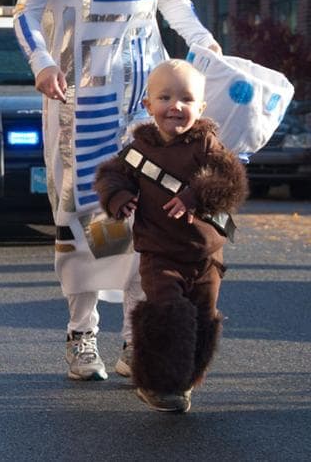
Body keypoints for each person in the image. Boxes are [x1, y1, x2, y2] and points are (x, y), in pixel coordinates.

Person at [12, 0, 221, 382]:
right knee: (88, 209)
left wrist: (202, 45)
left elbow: (175, 2)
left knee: (145, 213)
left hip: (144, 89)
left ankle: (136, 338)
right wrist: (44, 64)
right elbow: (26, 12)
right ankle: (82, 335)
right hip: (79, 94)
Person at [94, 60, 247, 412]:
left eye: (186, 99)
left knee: (202, 317)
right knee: (166, 311)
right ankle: (157, 384)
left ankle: (185, 379)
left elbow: (231, 182)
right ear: (148, 106)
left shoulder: (207, 144)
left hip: (206, 256)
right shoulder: (138, 151)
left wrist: (197, 194)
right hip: (159, 253)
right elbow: (109, 176)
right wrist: (118, 198)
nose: (175, 106)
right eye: (164, 97)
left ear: (200, 108)